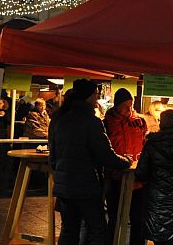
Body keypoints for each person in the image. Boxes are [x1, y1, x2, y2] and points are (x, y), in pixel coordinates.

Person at [49, 79, 130, 245]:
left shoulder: (61, 119)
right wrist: (126, 161)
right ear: (88, 97)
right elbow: (106, 155)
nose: (97, 98)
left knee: (69, 229)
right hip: (86, 185)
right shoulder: (92, 122)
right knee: (98, 229)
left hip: (65, 186)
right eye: (96, 95)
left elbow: (53, 156)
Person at [137, 109, 173, 245]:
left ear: (162, 123)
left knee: (160, 237)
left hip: (158, 199)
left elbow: (141, 172)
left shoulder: (151, 143)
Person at [104, 88, 147, 245]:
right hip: (116, 177)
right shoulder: (107, 123)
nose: (128, 109)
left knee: (138, 219)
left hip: (137, 179)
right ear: (116, 106)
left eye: (130, 105)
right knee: (115, 217)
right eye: (125, 106)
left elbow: (145, 143)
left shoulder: (140, 121)